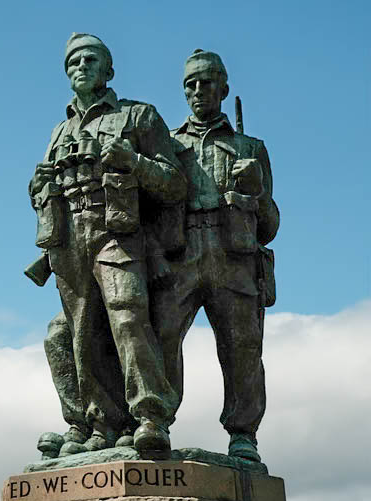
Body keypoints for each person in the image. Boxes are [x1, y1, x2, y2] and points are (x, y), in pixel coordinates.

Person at [29, 34, 186, 455]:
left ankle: (150, 417)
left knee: (128, 316)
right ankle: (101, 423)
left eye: (90, 58)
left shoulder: (137, 116)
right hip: (69, 240)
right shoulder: (59, 131)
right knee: (82, 333)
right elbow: (43, 190)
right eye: (73, 62)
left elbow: (174, 184)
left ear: (108, 70)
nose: (80, 66)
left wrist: (132, 161)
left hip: (117, 230)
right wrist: (38, 185)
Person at [153, 50, 279, 462]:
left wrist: (256, 190)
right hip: (182, 251)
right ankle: (156, 422)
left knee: (242, 346)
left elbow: (271, 226)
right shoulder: (167, 144)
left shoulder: (251, 147)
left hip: (234, 255)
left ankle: (243, 435)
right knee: (162, 337)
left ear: (223, 88)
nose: (197, 90)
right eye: (189, 83)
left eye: (206, 82)